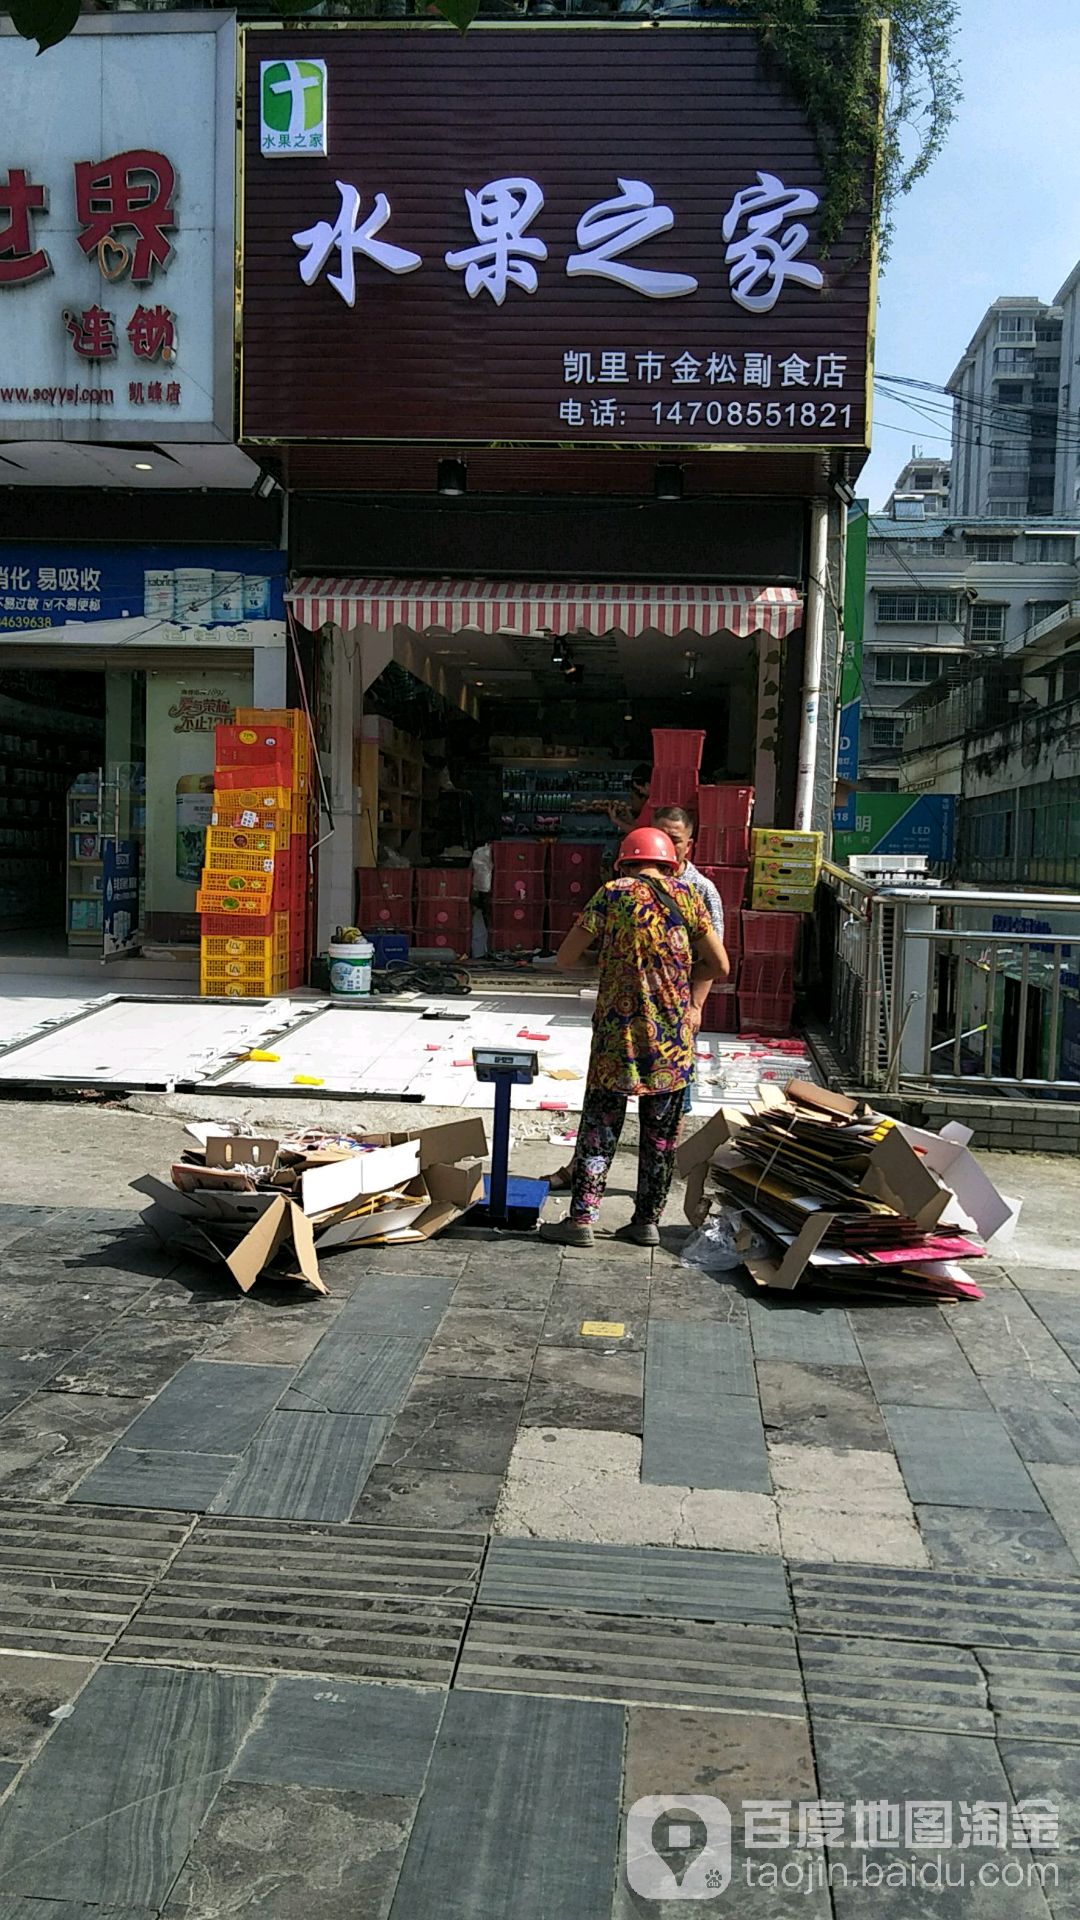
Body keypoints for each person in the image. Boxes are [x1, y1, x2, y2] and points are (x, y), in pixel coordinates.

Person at [539, 826, 729, 1249]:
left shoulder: (612, 894)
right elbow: (720, 966)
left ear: (623, 861)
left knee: (599, 1128)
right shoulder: (689, 897)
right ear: (670, 862)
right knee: (661, 1137)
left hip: (616, 1037)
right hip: (671, 1042)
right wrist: (677, 976)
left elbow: (567, 958)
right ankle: (646, 1222)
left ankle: (582, 1219)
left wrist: (611, 960)